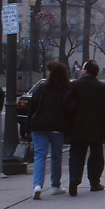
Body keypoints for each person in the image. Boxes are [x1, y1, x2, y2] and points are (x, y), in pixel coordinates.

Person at [26, 61, 75, 200]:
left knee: (40, 156)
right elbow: (70, 110)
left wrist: (29, 127)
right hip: (57, 127)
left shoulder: (41, 88)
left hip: (39, 126)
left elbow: (32, 108)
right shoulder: (65, 89)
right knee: (56, 156)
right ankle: (55, 185)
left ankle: (37, 185)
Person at [68, 60, 105, 195]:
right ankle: (94, 182)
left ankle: (74, 179)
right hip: (97, 127)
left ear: (86, 71)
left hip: (77, 126)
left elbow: (67, 107)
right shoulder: (103, 88)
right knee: (96, 155)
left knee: (76, 155)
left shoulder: (74, 86)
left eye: (83, 68)